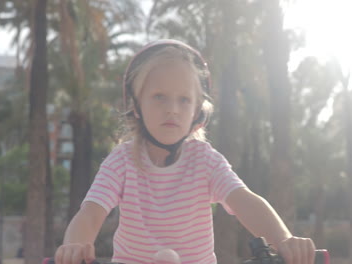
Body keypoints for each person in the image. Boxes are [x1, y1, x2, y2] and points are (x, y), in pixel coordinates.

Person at [54, 39, 316, 264]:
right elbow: (90, 213)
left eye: (184, 99)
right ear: (136, 106)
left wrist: (283, 240)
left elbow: (245, 201)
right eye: (159, 96)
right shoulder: (121, 161)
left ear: (197, 112)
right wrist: (74, 247)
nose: (173, 109)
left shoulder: (205, 160)